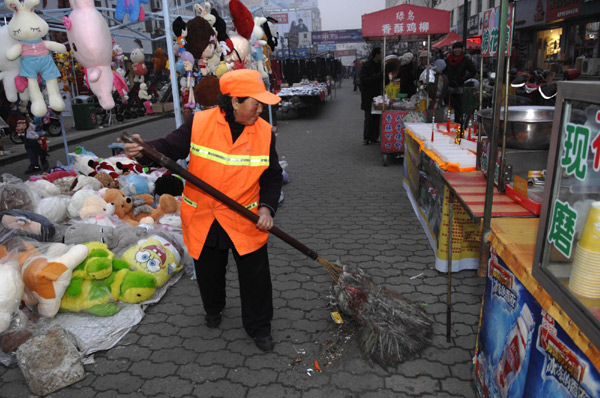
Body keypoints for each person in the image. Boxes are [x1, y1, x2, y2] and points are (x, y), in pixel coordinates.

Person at [122, 69, 283, 352]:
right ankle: (213, 308)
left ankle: (259, 326)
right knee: (209, 271)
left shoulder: (265, 133)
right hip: (205, 215)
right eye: (255, 102)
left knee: (255, 275)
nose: (261, 108)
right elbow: (168, 147)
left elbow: (271, 176)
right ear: (234, 101)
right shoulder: (199, 122)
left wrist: (267, 209)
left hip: (244, 217)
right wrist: (144, 149)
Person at [444, 41, 476, 125]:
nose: (457, 50)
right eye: (455, 48)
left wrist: (464, 79)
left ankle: (458, 125)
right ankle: (448, 124)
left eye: (459, 48)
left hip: (459, 87)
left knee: (459, 107)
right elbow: (443, 70)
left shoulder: (465, 60)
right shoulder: (448, 59)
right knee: (448, 107)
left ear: (462, 49)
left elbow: (473, 70)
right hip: (449, 86)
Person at [360, 47, 383, 145]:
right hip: (368, 96)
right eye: (381, 54)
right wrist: (377, 76)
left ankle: (374, 137)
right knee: (368, 117)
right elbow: (364, 80)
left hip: (377, 95)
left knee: (376, 117)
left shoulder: (381, 66)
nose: (382, 56)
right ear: (376, 54)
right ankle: (366, 137)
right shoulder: (367, 65)